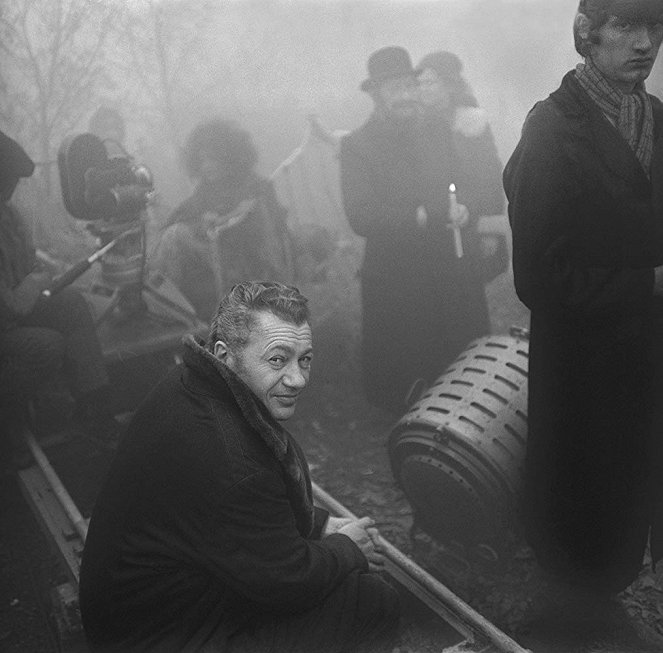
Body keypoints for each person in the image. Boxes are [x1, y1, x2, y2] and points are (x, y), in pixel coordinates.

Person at [79, 280, 400, 653]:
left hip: (136, 613)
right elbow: (288, 584)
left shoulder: (188, 382)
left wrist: (322, 524)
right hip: (160, 638)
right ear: (226, 354)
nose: (297, 379)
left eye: (305, 359)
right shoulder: (235, 461)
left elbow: (222, 516)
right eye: (278, 359)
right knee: (371, 600)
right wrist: (347, 548)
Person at [503, 0, 663, 599]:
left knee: (635, 477)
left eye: (655, 27)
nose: (645, 42)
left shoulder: (659, 120)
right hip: (583, 360)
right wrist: (647, 282)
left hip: (648, 354)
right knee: (582, 491)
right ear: (587, 36)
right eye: (625, 26)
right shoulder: (552, 128)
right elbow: (539, 278)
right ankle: (570, 607)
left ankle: (612, 587)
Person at [339, 46, 498, 412]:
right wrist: (421, 216)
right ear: (377, 95)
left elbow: (475, 187)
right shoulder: (358, 146)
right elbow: (360, 215)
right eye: (395, 89)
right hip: (396, 278)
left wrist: (466, 208)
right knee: (404, 380)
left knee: (460, 368)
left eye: (410, 86)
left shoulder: (440, 132)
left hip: (450, 269)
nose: (406, 96)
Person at [0, 130, 120, 462]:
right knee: (45, 345)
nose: (10, 190)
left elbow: (28, 264)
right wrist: (37, 281)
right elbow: (12, 306)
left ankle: (94, 410)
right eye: (6, 180)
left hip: (14, 317)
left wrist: (42, 272)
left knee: (72, 306)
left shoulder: (8, 216)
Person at [151, 119, 294, 321]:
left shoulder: (256, 187)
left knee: (174, 236)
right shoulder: (206, 191)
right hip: (217, 259)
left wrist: (222, 222)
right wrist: (201, 224)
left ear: (228, 157)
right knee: (172, 234)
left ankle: (162, 306)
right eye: (201, 161)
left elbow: (262, 236)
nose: (206, 166)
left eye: (212, 159)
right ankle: (162, 303)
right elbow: (183, 214)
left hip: (252, 265)